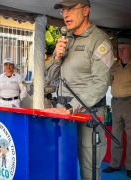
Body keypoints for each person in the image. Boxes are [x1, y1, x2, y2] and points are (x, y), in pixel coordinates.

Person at [44, 0, 114, 179]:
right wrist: (57, 56)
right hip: (66, 116)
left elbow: (100, 84)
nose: (65, 14)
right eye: (63, 11)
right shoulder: (67, 40)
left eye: (70, 9)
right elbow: (51, 77)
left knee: (88, 171)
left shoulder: (99, 41)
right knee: (64, 167)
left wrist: (70, 108)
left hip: (88, 115)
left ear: (86, 10)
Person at [102, 38, 131, 178]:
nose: (121, 50)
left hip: (129, 103)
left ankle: (130, 166)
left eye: (124, 48)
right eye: (119, 48)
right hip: (116, 103)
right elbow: (108, 82)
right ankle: (114, 164)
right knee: (116, 135)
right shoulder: (115, 66)